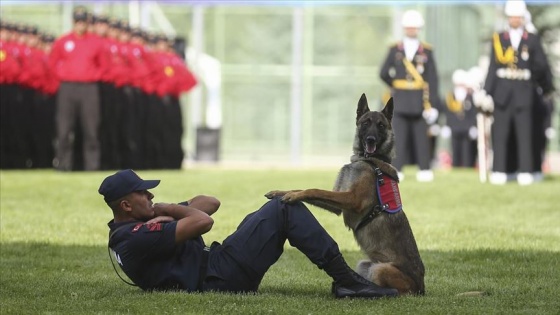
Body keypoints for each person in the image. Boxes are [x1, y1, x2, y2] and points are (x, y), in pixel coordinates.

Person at [98, 169, 399, 298]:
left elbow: (210, 203)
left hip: (216, 266)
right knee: (283, 207)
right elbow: (203, 220)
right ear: (126, 205)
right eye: (145, 195)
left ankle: (348, 282)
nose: (151, 198)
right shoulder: (138, 236)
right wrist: (166, 208)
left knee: (271, 210)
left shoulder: (131, 228)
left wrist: (164, 211)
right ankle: (348, 282)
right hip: (219, 277)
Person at [481, 0, 554, 185]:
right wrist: (486, 92)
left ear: (522, 18)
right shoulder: (499, 39)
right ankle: (501, 170)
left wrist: (546, 88)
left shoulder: (532, 39)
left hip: (524, 92)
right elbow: (493, 67)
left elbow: (541, 66)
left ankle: (527, 171)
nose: (515, 19)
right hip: (502, 93)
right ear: (508, 17)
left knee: (525, 134)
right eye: (512, 16)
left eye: (518, 16)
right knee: (502, 134)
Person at [379, 9, 440, 182]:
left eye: (415, 27)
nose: (412, 30)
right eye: (409, 27)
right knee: (398, 136)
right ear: (405, 28)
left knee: (422, 137)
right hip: (400, 100)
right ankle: (397, 169)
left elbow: (433, 79)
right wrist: (395, 84)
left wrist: (433, 104)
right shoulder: (394, 49)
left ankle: (425, 169)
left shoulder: (427, 51)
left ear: (419, 28)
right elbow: (383, 72)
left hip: (420, 101)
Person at [48, 7, 105, 171]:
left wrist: (92, 75)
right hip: (68, 87)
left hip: (89, 88)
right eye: (77, 21)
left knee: (91, 128)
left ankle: (92, 166)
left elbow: (104, 65)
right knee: (64, 128)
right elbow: (52, 63)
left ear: (87, 23)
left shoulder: (95, 42)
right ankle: (63, 165)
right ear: (73, 22)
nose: (80, 25)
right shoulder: (63, 41)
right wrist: (64, 74)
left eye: (83, 22)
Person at [442, 69, 478, 168]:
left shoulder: (470, 96)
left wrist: (474, 126)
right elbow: (448, 112)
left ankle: (468, 166)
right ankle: (455, 166)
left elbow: (473, 112)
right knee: (455, 151)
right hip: (455, 127)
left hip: (467, 129)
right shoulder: (450, 96)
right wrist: (447, 125)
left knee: (467, 153)